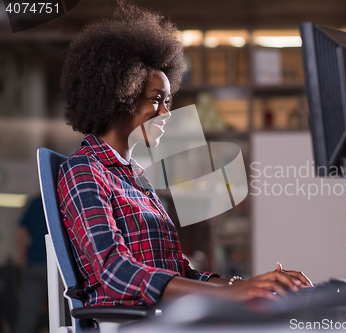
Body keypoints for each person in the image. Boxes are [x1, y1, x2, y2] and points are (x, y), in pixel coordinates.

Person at [57, 1, 312, 308]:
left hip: (165, 314)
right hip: (131, 321)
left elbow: (179, 272)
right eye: (156, 100)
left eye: (168, 100)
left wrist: (248, 284)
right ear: (118, 96)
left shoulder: (134, 176)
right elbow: (115, 271)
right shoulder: (84, 171)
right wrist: (231, 294)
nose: (167, 111)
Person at [14, 195, 48, 333]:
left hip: (34, 265)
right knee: (66, 311)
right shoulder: (62, 199)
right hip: (59, 268)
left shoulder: (35, 203)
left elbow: (21, 232)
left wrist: (23, 261)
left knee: (27, 314)